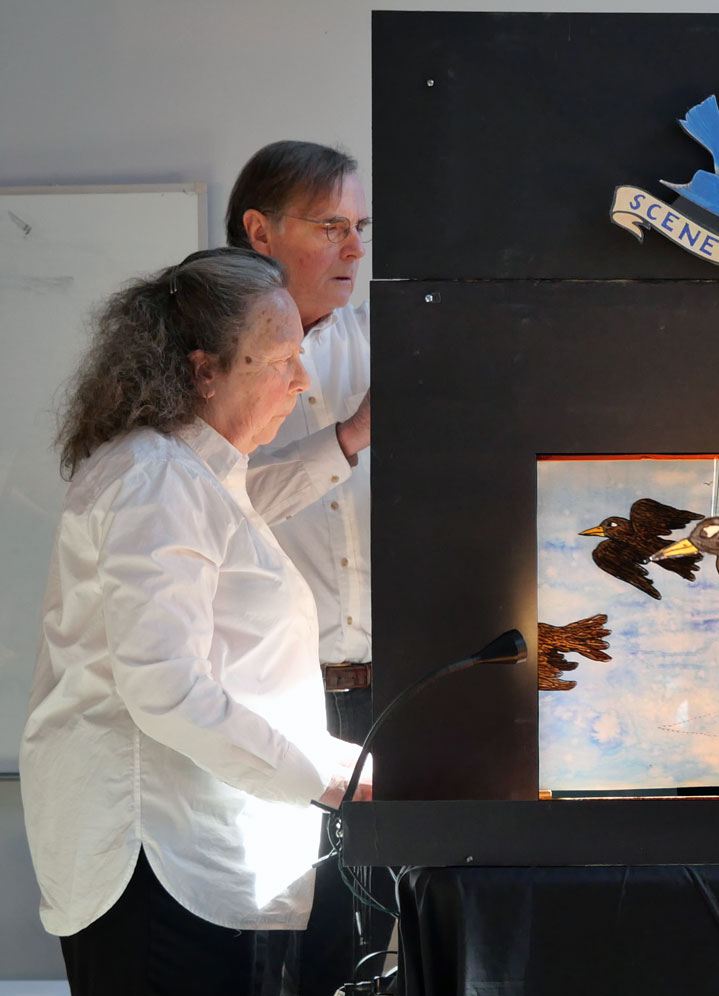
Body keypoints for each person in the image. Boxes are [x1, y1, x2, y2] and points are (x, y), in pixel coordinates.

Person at [19, 248, 372, 996]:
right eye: (279, 359)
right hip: (158, 866)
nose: (301, 380)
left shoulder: (195, 474)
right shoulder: (154, 479)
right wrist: (324, 772)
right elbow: (165, 687)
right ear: (204, 370)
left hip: (195, 858)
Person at [226, 141, 381, 993]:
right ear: (259, 231)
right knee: (282, 945)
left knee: (382, 937)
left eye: (360, 227)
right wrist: (350, 437)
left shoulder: (393, 337)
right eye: (331, 227)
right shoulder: (206, 364)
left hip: (392, 694)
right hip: (272, 703)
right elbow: (223, 506)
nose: (355, 249)